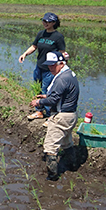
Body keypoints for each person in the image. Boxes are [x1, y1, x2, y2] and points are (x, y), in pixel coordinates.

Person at [30, 52, 79, 181]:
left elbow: (54, 100)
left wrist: (39, 102)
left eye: (52, 66)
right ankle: (73, 165)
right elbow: (62, 94)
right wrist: (47, 96)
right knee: (66, 142)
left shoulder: (62, 78)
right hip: (71, 116)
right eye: (49, 66)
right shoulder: (69, 74)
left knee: (50, 147)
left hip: (61, 117)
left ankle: (52, 176)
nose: (50, 68)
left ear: (61, 64)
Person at [19, 12, 66, 120]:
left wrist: (62, 67)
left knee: (47, 90)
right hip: (39, 66)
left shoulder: (58, 37)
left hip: (50, 69)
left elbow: (62, 53)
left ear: (54, 23)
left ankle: (50, 115)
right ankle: (39, 111)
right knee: (37, 89)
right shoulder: (41, 34)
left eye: (48, 21)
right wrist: (25, 54)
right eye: (44, 21)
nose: (45, 23)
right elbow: (34, 46)